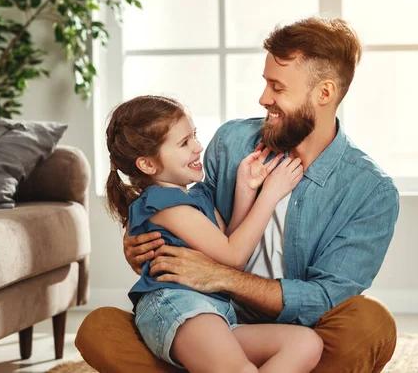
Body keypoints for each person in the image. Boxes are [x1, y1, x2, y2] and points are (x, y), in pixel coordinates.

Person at [76, 17, 400, 373]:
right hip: (206, 312)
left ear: (324, 93)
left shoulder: (371, 190)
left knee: (369, 324)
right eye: (266, 84)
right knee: (100, 328)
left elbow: (324, 298)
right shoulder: (233, 142)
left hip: (293, 326)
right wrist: (143, 242)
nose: (264, 99)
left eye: (278, 88)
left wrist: (221, 276)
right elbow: (197, 221)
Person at [104, 94, 324, 372]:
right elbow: (233, 256)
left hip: (216, 312)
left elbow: (228, 251)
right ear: (147, 164)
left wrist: (246, 187)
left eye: (194, 136)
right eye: (184, 143)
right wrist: (270, 195)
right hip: (177, 307)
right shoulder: (159, 203)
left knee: (306, 343)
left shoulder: (197, 197)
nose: (198, 147)